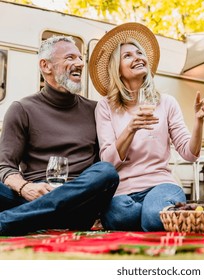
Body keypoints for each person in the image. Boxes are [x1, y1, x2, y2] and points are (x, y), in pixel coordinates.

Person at [90, 22, 204, 231]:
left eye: (139, 53)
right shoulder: (105, 106)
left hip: (161, 184)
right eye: (128, 55)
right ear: (117, 70)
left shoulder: (166, 102)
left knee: (151, 217)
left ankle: (158, 213)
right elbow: (108, 163)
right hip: (123, 191)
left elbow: (190, 154)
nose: (138, 57)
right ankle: (172, 215)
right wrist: (131, 128)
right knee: (122, 215)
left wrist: (199, 120)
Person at [0, 36, 119, 236]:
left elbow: (103, 163)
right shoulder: (22, 109)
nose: (80, 64)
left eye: (80, 58)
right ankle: (32, 218)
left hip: (79, 204)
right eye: (71, 57)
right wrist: (25, 188)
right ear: (46, 66)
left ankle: (9, 221)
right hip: (31, 196)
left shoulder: (95, 110)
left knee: (106, 171)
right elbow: (5, 166)